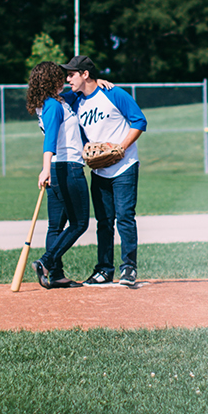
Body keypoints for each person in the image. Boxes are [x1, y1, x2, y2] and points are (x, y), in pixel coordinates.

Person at [61, 55, 147, 288]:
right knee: (103, 221)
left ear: (85, 74)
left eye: (71, 74)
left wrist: (121, 147)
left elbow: (139, 121)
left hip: (124, 166)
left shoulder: (114, 94)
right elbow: (54, 97)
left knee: (125, 218)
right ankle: (104, 270)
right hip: (99, 170)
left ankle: (129, 268)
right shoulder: (75, 99)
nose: (67, 78)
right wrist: (99, 81)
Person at [24, 60, 90, 289]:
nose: (64, 80)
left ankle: (57, 275)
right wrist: (45, 168)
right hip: (66, 168)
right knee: (80, 223)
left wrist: (97, 82)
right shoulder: (52, 106)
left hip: (59, 168)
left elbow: (78, 94)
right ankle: (45, 262)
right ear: (50, 81)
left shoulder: (55, 102)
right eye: (59, 77)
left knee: (55, 227)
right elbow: (49, 139)